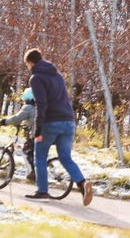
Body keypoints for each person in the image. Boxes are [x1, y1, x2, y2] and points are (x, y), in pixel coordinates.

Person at [24, 48, 93, 205]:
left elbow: (41, 104)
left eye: (27, 64)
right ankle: (82, 184)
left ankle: (42, 192)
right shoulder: (57, 75)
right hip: (69, 121)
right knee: (65, 157)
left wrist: (38, 128)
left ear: (30, 62)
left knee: (40, 156)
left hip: (51, 122)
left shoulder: (36, 78)